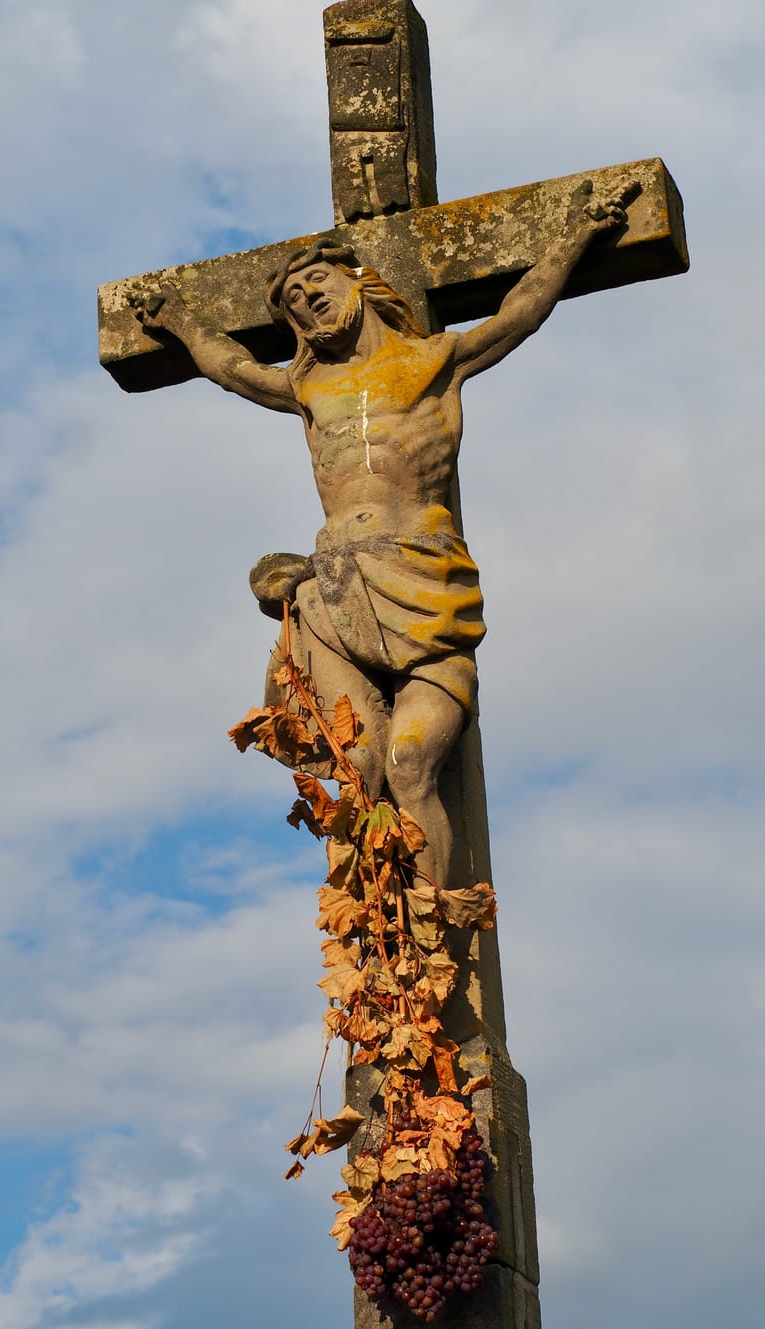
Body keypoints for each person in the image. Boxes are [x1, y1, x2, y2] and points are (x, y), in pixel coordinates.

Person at [135, 180, 629, 889]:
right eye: (295, 303)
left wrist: (578, 234)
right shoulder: (309, 389)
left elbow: (520, 312)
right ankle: (379, 936)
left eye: (317, 284)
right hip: (336, 589)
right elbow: (234, 371)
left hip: (424, 579)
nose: (309, 302)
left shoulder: (433, 361)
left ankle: (432, 917)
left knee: (409, 760)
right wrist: (180, 324)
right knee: (355, 762)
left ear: (357, 281)